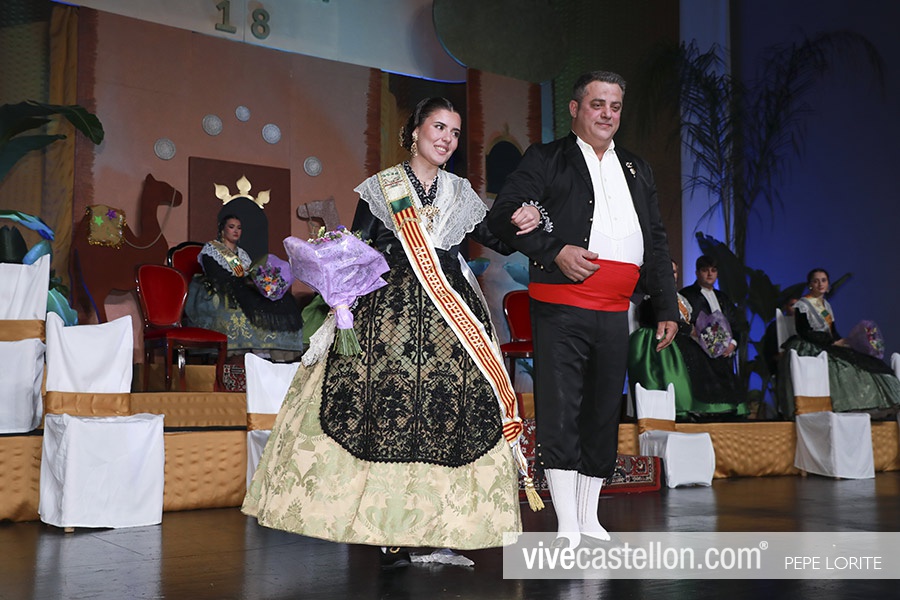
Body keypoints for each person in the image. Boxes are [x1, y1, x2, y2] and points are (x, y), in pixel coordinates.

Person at [242, 97, 539, 567]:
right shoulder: (383, 187)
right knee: (389, 411)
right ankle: (388, 530)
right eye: (438, 127)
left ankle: (442, 521)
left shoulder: (460, 192)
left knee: (446, 411)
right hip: (390, 312)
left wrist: (528, 220)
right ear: (415, 131)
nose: (447, 139)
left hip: (451, 314)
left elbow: (498, 238)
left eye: (454, 133)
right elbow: (361, 247)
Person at [487, 70, 678, 549]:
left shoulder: (637, 168)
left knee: (602, 411)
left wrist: (666, 305)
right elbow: (502, 215)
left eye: (615, 106)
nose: (607, 114)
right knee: (561, 409)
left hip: (616, 309)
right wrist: (554, 251)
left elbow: (655, 239)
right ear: (575, 108)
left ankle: (590, 518)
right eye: (597, 104)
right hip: (560, 305)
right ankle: (566, 523)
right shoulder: (547, 158)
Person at [777, 268, 900, 417]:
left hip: (827, 343)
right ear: (810, 285)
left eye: (823, 280)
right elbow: (804, 331)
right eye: (816, 281)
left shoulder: (826, 305)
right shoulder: (803, 304)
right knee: (844, 366)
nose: (820, 284)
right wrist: (831, 342)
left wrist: (842, 341)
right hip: (810, 345)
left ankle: (878, 403)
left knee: (862, 360)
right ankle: (847, 406)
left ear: (828, 283)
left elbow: (832, 331)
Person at [185, 214, 304, 355]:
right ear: (222, 230)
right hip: (220, 289)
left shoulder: (242, 254)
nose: (236, 231)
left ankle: (268, 350)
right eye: (231, 227)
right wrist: (241, 282)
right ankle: (250, 350)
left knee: (276, 302)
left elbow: (250, 273)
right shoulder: (212, 249)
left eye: (239, 228)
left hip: (242, 288)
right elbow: (216, 275)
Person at [677, 254, 748, 416]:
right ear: (697, 273)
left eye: (713, 270)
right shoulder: (687, 295)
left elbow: (736, 324)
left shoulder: (723, 297)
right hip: (697, 352)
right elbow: (684, 323)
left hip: (724, 354)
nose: (710, 274)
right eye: (705, 270)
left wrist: (732, 344)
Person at [629, 260, 694, 417]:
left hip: (682, 347)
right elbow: (652, 319)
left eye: (674, 272)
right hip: (656, 347)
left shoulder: (681, 299)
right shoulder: (647, 298)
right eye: (668, 271)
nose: (671, 275)